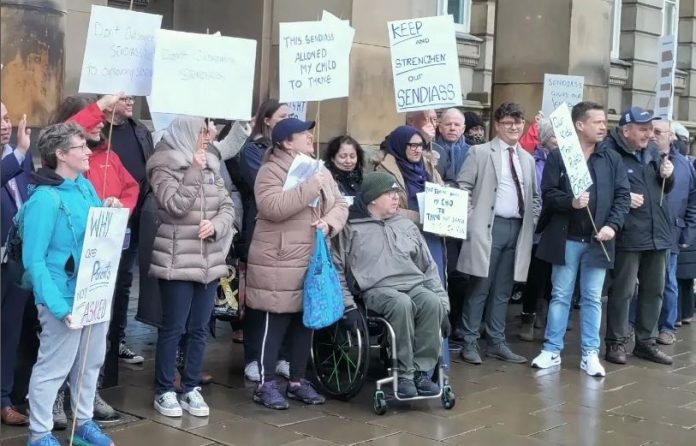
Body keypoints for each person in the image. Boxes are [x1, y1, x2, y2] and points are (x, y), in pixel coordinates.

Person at [22, 122, 118, 446]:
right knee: (53, 368)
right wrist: (59, 308)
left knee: (90, 363)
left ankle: (83, 423)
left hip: (92, 292)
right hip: (61, 298)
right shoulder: (44, 200)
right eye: (81, 146)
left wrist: (107, 210)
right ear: (61, 154)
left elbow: (92, 229)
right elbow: (33, 261)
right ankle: (39, 434)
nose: (89, 151)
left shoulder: (83, 186)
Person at [246, 118, 348, 410]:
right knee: (274, 321)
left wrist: (328, 223)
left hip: (311, 258)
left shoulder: (318, 168)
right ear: (286, 142)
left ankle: (296, 380)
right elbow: (272, 207)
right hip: (278, 260)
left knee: (306, 322)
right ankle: (265, 384)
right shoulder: (270, 170)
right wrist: (309, 188)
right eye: (304, 134)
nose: (310, 137)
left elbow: (339, 205)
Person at [530, 101, 630, 377]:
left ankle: (589, 354)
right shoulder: (559, 156)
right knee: (560, 296)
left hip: (599, 240)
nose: (603, 126)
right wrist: (570, 202)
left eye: (603, 121)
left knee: (592, 298)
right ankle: (552, 349)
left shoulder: (611, 159)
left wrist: (612, 225)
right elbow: (548, 193)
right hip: (567, 239)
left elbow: (622, 196)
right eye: (597, 121)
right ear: (579, 125)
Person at [147, 116, 235, 417]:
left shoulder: (211, 162)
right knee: (174, 327)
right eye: (202, 131)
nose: (208, 136)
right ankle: (164, 390)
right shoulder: (164, 164)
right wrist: (195, 171)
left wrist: (217, 225)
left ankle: (191, 387)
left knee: (199, 328)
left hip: (208, 259)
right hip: (176, 258)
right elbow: (174, 205)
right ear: (186, 133)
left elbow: (227, 206)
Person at [333, 172, 450, 398]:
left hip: (413, 284)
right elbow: (337, 268)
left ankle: (419, 372)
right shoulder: (350, 227)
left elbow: (428, 268)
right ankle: (404, 374)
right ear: (372, 198)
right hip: (376, 289)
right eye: (389, 193)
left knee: (431, 302)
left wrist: (444, 305)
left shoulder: (406, 225)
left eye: (396, 193)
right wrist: (348, 306)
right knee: (401, 303)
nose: (396, 198)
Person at [456, 102, 539, 365]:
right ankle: (469, 341)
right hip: (488, 227)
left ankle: (496, 341)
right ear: (497, 125)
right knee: (480, 286)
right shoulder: (480, 152)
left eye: (518, 122)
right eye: (507, 122)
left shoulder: (526, 157)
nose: (514, 127)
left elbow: (534, 197)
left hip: (517, 229)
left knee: (504, 289)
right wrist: (472, 222)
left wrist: (532, 220)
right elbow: (464, 187)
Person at [602, 107, 675, 365]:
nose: (649, 134)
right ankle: (616, 342)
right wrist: (621, 198)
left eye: (651, 129)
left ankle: (646, 342)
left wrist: (668, 174)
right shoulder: (610, 152)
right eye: (643, 129)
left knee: (654, 290)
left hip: (658, 232)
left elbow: (663, 187)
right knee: (623, 291)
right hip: (629, 233)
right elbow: (599, 189)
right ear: (626, 130)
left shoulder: (653, 151)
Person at [230, 99, 291, 383]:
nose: (288, 120)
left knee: (284, 296)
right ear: (266, 120)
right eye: (282, 116)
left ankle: (279, 355)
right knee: (258, 298)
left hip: (290, 234)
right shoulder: (254, 152)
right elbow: (267, 189)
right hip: (261, 230)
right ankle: (254, 357)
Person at [102, 95, 154, 367]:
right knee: (103, 284)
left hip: (133, 217)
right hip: (104, 220)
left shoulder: (140, 130)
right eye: (123, 97)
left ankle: (117, 339)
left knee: (123, 283)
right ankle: (101, 341)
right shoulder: (98, 130)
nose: (131, 100)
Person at [377, 125, 446, 282]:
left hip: (431, 236)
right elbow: (386, 209)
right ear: (400, 145)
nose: (417, 150)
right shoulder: (385, 171)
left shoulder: (428, 167)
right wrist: (420, 218)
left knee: (435, 284)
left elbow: (443, 194)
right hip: (403, 238)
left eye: (420, 145)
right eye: (412, 145)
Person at [1, 102, 33, 426]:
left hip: (15, 263)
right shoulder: (16, 158)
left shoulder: (20, 158)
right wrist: (19, 155)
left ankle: (4, 398)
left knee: (10, 334)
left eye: (7, 118)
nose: (5, 125)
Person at [651, 119, 696, 345]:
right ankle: (632, 326)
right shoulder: (645, 158)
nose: (654, 135)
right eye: (652, 130)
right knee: (639, 283)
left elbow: (693, 201)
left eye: (659, 132)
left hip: (672, 232)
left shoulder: (685, 165)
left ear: (671, 136)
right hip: (644, 231)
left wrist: (688, 231)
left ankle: (667, 327)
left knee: (669, 281)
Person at [519, 118, 557, 341]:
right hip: (538, 227)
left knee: (554, 277)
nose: (558, 141)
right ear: (544, 139)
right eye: (553, 136)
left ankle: (548, 315)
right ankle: (528, 317)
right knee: (536, 275)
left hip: (557, 226)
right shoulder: (534, 162)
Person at [435, 108, 470, 186]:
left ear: (463, 129)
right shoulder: (430, 150)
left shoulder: (472, 152)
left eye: (457, 125)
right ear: (440, 128)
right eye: (448, 124)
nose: (452, 128)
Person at [323, 135, 364, 200]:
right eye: (343, 156)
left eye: (352, 156)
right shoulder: (327, 180)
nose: (348, 161)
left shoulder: (359, 177)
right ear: (332, 158)